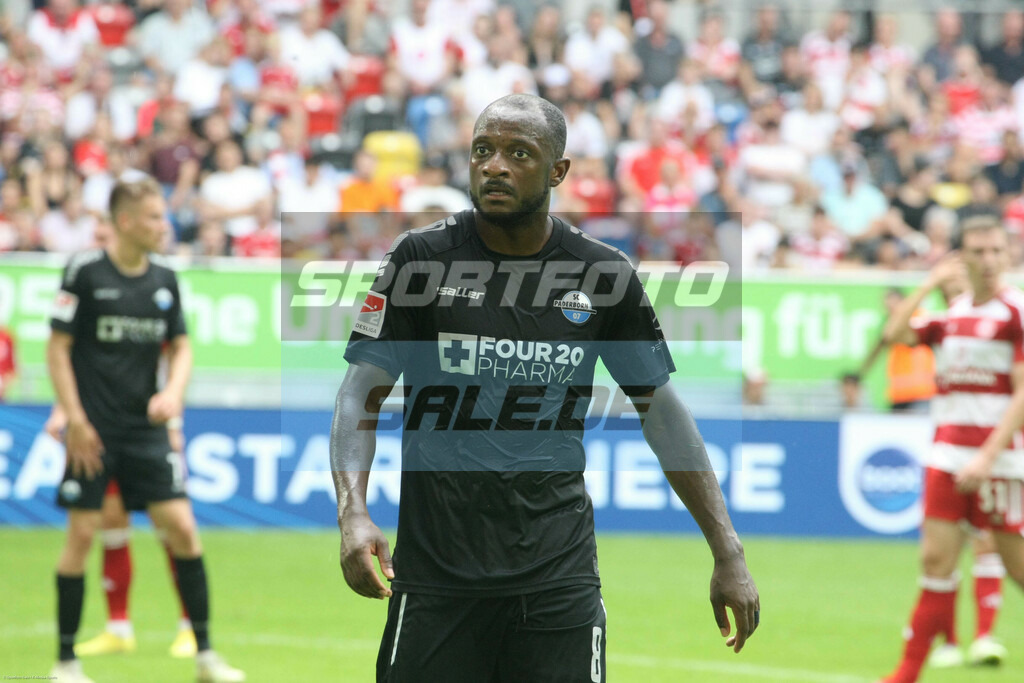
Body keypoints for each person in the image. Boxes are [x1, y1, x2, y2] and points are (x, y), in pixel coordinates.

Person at [331, 93, 759, 682]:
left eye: (518, 153)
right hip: (435, 581)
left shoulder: (602, 274)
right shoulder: (420, 260)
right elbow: (360, 392)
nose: (494, 166)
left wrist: (727, 549)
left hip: (559, 582)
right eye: (483, 150)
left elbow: (660, 411)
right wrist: (353, 513)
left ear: (557, 171)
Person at [47, 178, 244, 683]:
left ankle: (205, 656)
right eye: (155, 217)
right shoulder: (84, 273)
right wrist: (74, 419)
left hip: (146, 430)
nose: (164, 225)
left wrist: (173, 392)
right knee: (82, 535)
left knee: (183, 529)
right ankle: (66, 662)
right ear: (126, 221)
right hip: (92, 431)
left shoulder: (164, 279)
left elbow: (182, 345)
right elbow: (57, 349)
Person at [879, 216, 1024, 682]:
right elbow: (895, 335)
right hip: (946, 456)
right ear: (962, 257)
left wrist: (988, 456)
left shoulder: (1014, 312)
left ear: (1007, 254)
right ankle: (905, 674)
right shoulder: (952, 314)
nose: (989, 260)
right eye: (978, 252)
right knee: (935, 563)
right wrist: (928, 283)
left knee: (1017, 569)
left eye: (996, 251)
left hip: (1000, 462)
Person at [44, 406, 197, 659]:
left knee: (172, 525)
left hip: (148, 431)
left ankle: (190, 627)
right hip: (104, 429)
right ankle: (118, 629)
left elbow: (169, 381)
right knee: (112, 520)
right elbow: (77, 380)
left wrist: (173, 426)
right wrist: (62, 411)